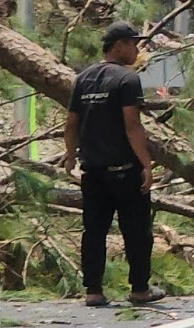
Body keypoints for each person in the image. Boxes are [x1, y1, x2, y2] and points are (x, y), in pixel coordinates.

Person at [63, 21, 162, 307]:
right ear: (119, 46)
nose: (137, 49)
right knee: (137, 230)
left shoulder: (83, 79)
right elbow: (132, 126)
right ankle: (139, 289)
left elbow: (71, 124)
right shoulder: (127, 80)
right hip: (124, 171)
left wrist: (71, 155)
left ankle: (93, 290)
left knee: (93, 231)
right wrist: (146, 163)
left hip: (92, 171)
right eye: (133, 43)